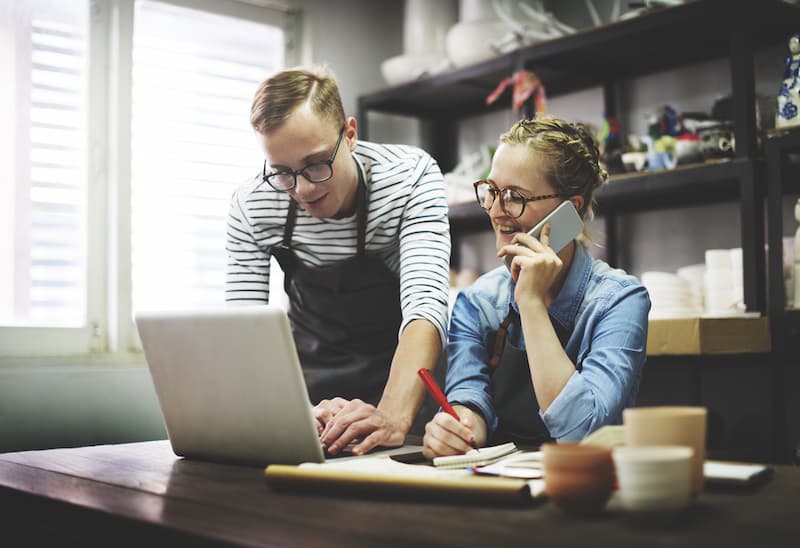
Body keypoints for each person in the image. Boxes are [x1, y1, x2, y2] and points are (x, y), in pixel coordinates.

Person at [226, 65, 450, 456]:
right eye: (283, 172)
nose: (303, 188)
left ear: (350, 135)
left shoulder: (410, 177)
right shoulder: (254, 202)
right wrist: (286, 414)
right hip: (311, 398)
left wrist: (394, 416)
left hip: (400, 389)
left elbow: (425, 307)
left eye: (316, 164)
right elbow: (244, 333)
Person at [422, 117, 650, 458]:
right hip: (503, 487)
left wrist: (530, 303)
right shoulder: (478, 302)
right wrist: (458, 429)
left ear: (569, 210)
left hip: (590, 487)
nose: (497, 211)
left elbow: (584, 433)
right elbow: (469, 396)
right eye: (492, 191)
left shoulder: (619, 302)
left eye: (515, 197)